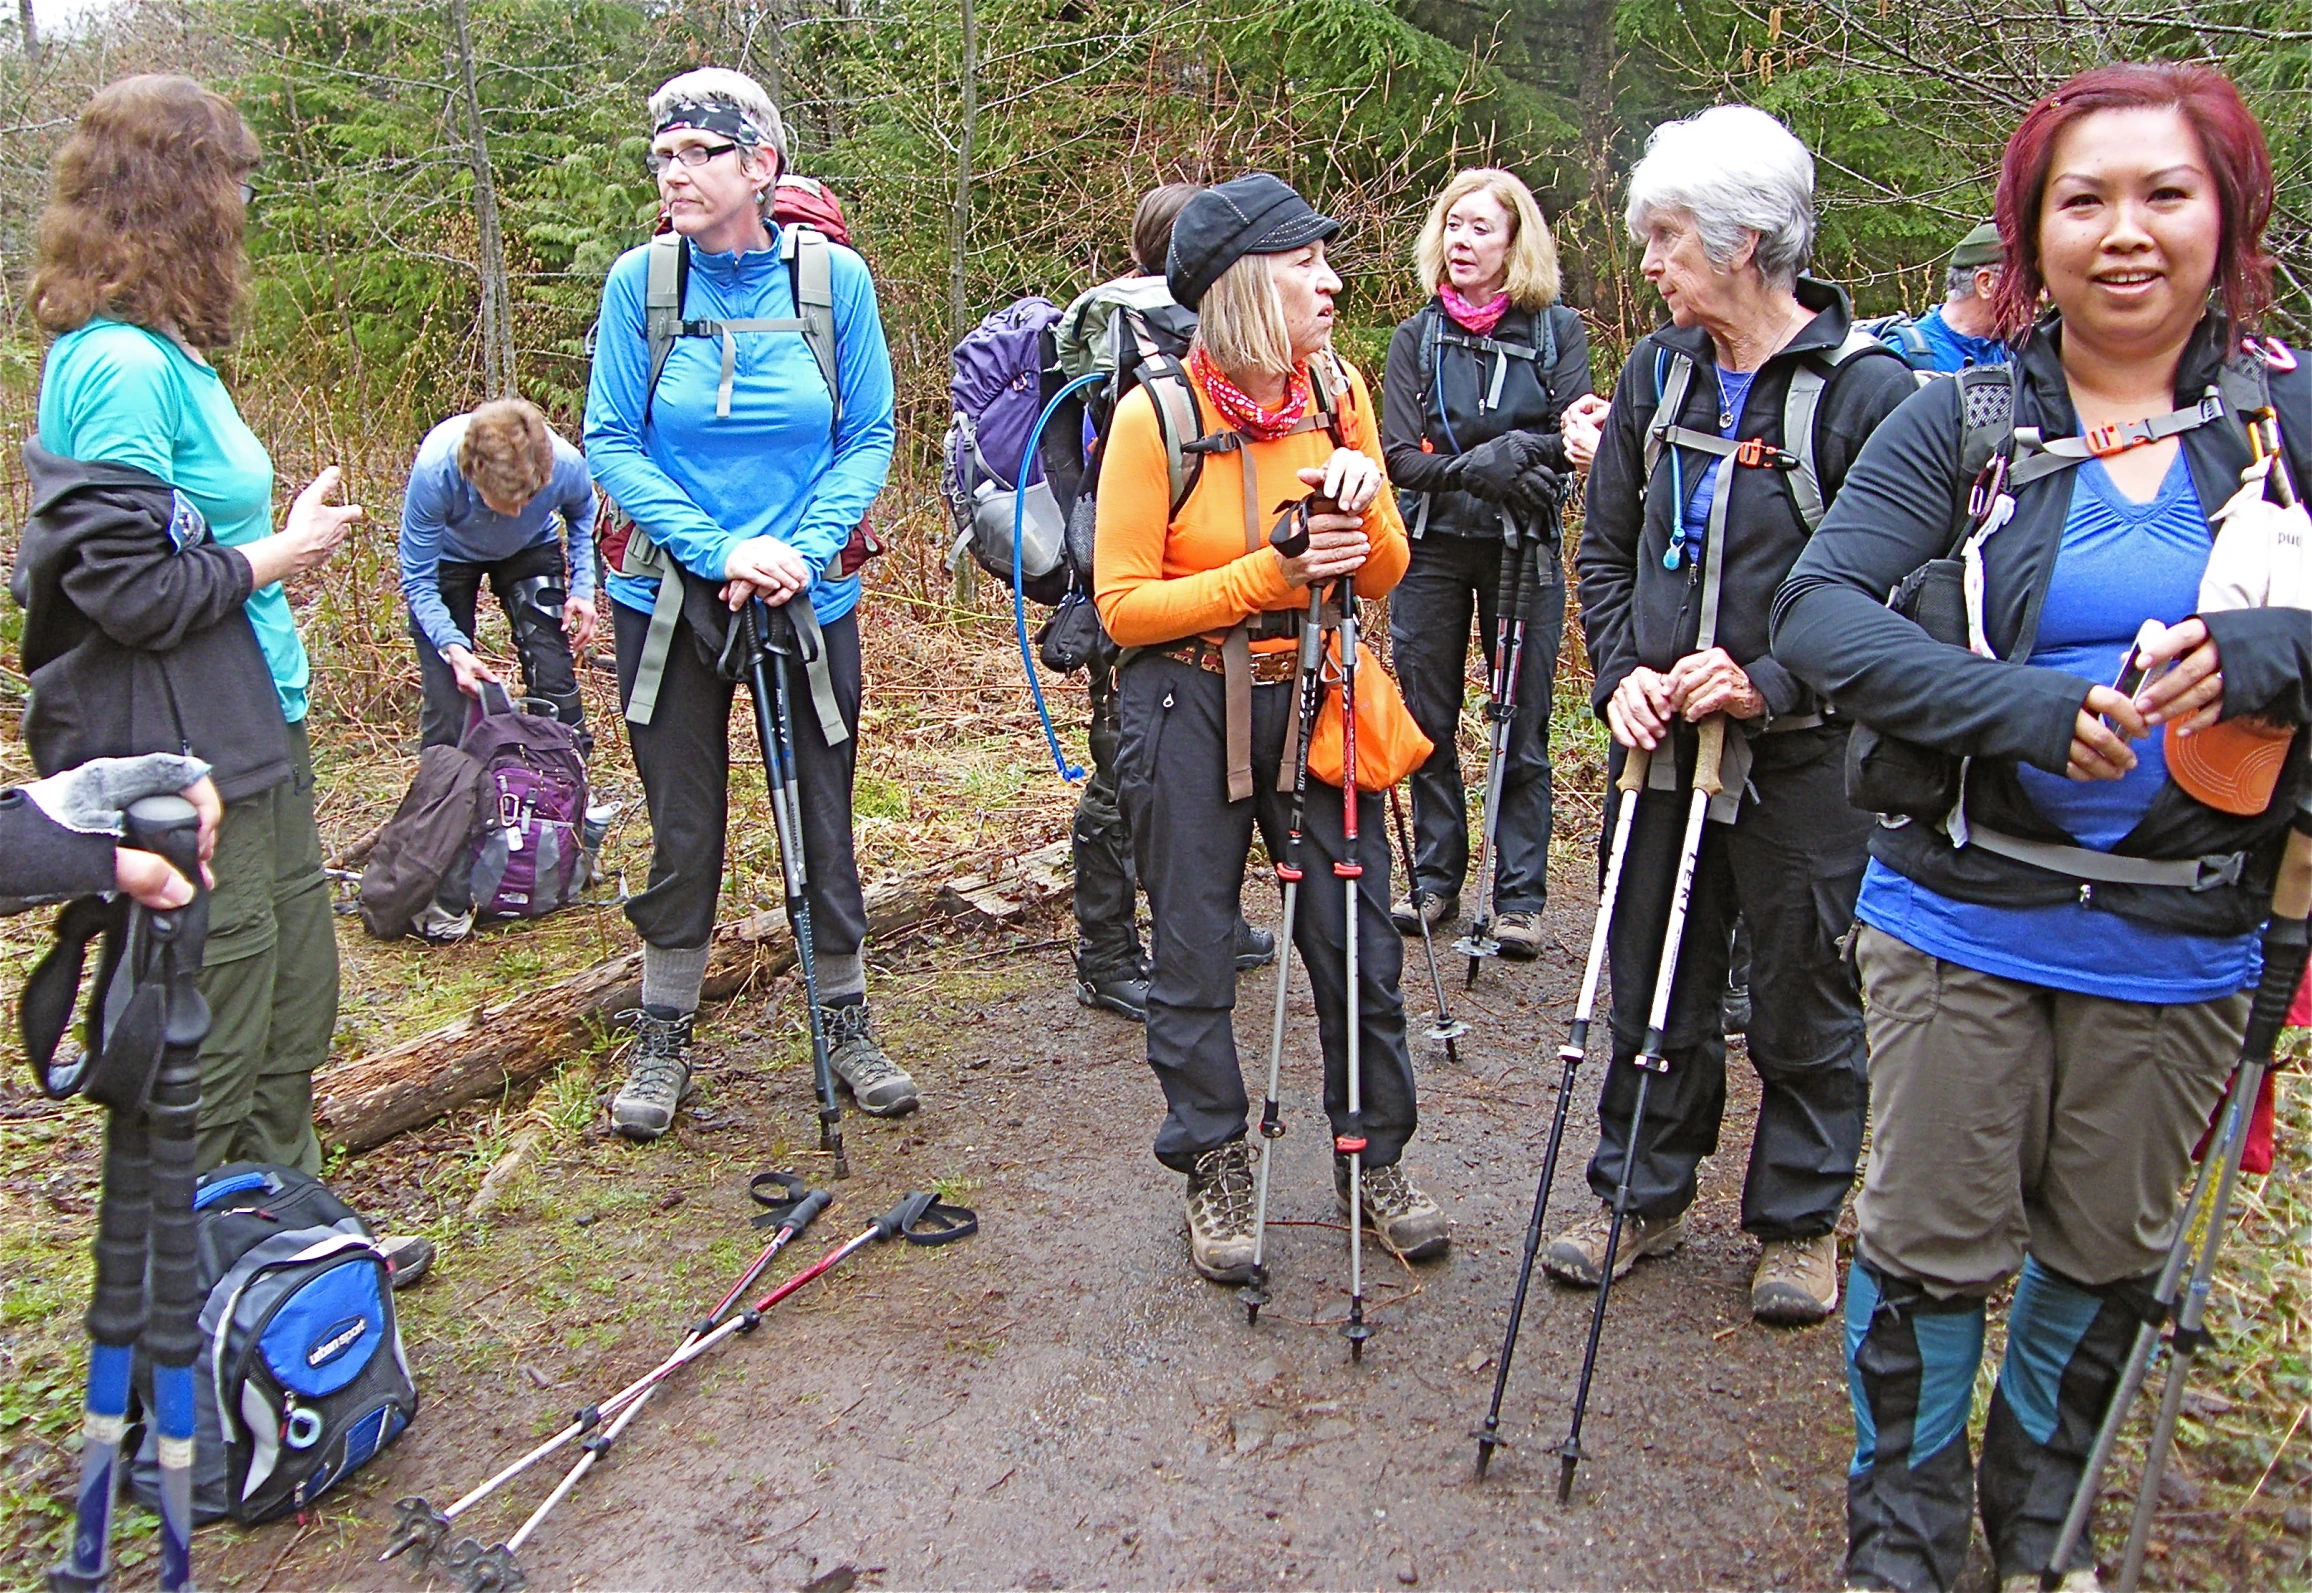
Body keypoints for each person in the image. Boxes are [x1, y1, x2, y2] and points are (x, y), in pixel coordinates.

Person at [1773, 63, 2312, 1593]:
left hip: (2187, 929)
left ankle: (2041, 1528)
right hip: (1966, 911)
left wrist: (2273, 659)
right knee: (1931, 1248)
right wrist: (2005, 708)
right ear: (2032, 229)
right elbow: (1818, 614)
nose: (2125, 231)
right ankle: (1907, 1538)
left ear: (2227, 215)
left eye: (2165, 195)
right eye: (2086, 199)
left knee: (2101, 1255)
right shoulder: (1964, 420)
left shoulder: (2293, 419)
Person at [1560, 104, 1914, 1326]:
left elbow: (1904, 599)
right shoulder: (1654, 373)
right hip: (1657, 744)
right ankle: (1638, 1196)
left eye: (1664, 239)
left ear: (1745, 240)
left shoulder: (1869, 396)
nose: (1647, 264)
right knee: (1653, 976)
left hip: (1807, 762)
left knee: (1806, 990)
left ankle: (1797, 1222)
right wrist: (1620, 677)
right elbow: (1603, 550)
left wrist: (1769, 677)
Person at [1095, 172, 1450, 1280]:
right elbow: (1121, 607)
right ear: (1250, 287)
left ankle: (1371, 1155)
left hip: (1318, 690)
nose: (1332, 282)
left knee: (1358, 941)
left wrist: (1359, 510)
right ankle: (1211, 1160)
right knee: (1195, 947)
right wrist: (1268, 571)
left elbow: (1385, 570)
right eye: (1308, 266)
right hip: (1186, 700)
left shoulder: (1338, 394)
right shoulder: (1154, 417)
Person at [22, 74, 366, 1182]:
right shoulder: (118, 365)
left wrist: (277, 563)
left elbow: (188, 554)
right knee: (216, 1015)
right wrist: (279, 554)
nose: (243, 210)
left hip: (257, 711)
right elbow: (124, 592)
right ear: (177, 195)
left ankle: (294, 1249)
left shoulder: (171, 353)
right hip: (185, 747)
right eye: (232, 184)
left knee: (289, 1003)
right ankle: (191, 1290)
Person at [585, 67, 910, 1141]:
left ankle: (846, 1021)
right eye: (662, 156)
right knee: (684, 829)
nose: (670, 172)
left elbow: (867, 434)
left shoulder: (833, 285)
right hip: (666, 598)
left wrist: (798, 554)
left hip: (806, 597)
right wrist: (724, 547)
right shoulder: (642, 284)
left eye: (695, 154)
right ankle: (664, 1030)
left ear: (757, 165)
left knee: (822, 817)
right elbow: (610, 442)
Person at [1052, 181, 1276, 1020]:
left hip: (1144, 573)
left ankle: (1197, 928)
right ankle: (1105, 953)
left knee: (1184, 769)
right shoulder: (1151, 341)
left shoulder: (1114, 331)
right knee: (1125, 772)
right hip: (1143, 587)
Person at [1380, 166, 1590, 957]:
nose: (1461, 241)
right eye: (1452, 225)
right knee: (1430, 719)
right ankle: (1435, 881)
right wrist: (1484, 465)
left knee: (1523, 720)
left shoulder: (1554, 331)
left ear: (1514, 243)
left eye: (1480, 229)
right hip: (1432, 549)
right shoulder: (1417, 335)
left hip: (1522, 548)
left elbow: (1576, 433)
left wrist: (1511, 450)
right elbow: (1401, 456)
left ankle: (1520, 899)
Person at [401, 397, 599, 754]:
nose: (520, 509)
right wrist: (451, 645)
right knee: (449, 696)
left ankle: (564, 786)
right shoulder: (436, 473)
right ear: (475, 475)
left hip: (531, 547)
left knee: (554, 676)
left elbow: (584, 512)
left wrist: (584, 587)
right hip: (450, 555)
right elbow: (418, 580)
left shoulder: (565, 463)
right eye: (509, 500)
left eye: (531, 496)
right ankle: (449, 793)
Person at [1875, 221, 2011, 374]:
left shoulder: (2012, 356)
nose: (2042, 297)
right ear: (1986, 284)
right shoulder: (1901, 357)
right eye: (2029, 285)